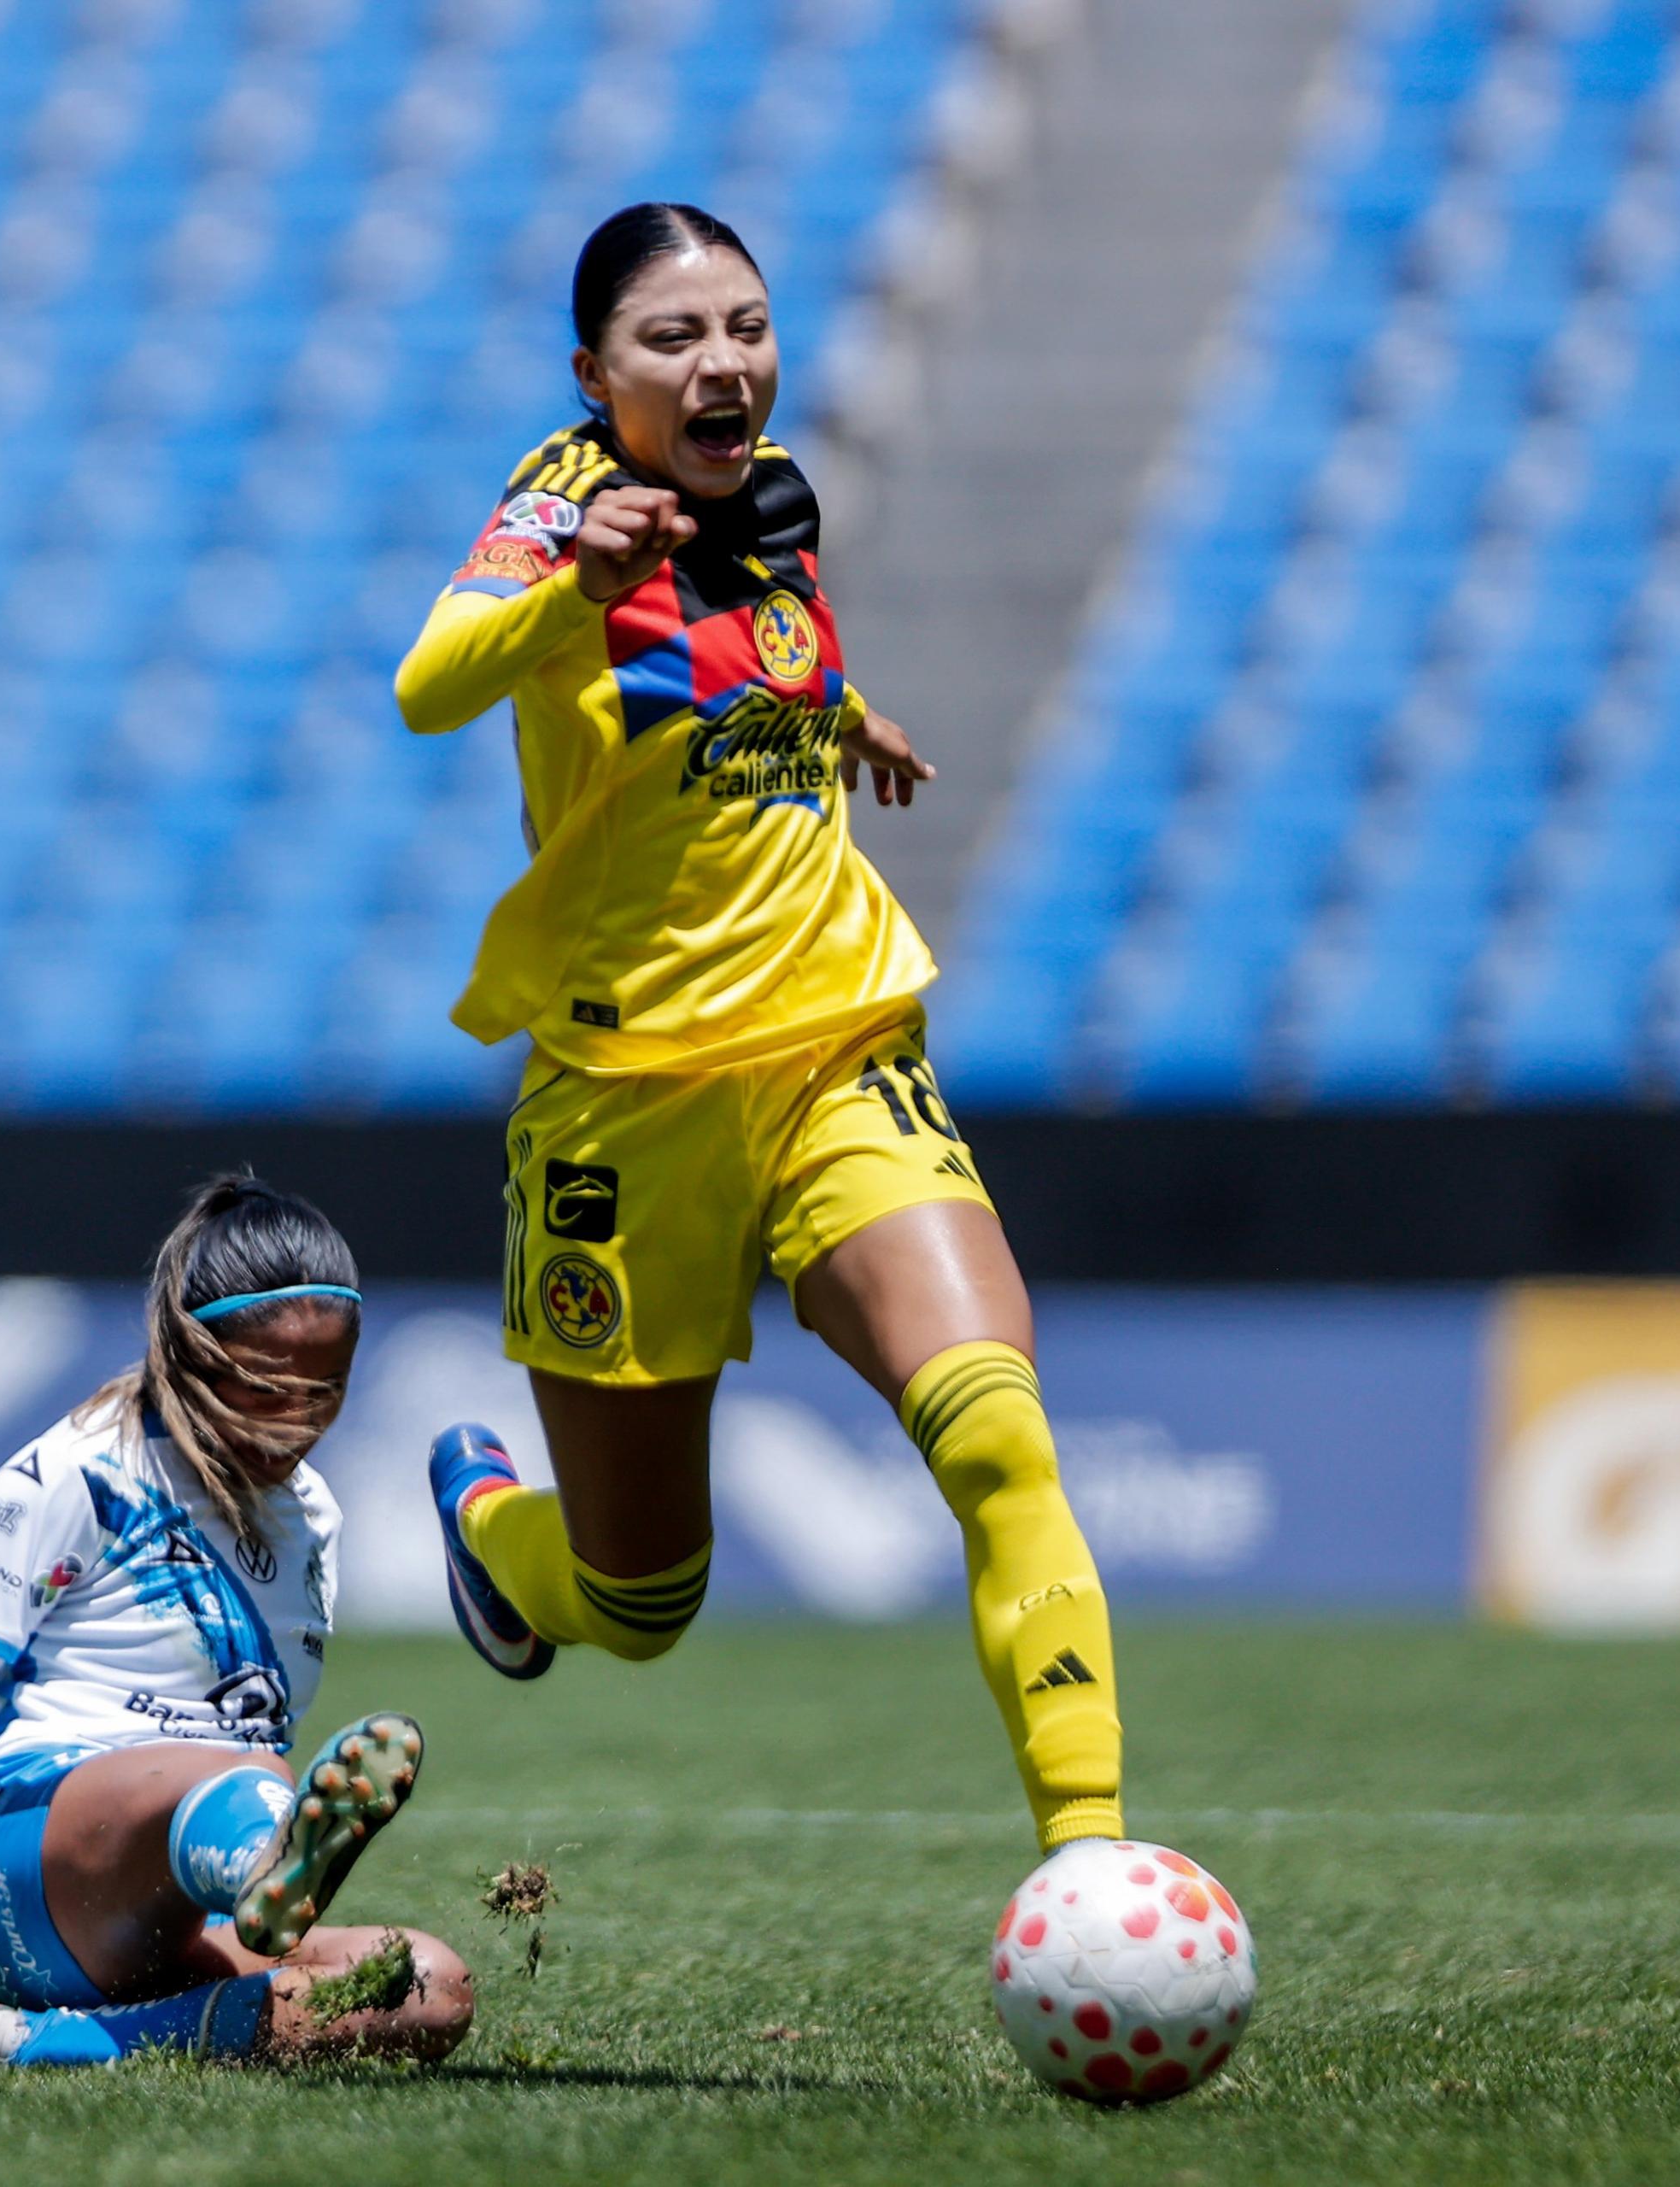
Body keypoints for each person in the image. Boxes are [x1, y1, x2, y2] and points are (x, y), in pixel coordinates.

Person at [392, 202, 1127, 1855]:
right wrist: (565, 592)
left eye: (746, 326)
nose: (721, 364)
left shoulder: (776, 490)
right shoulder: (560, 505)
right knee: (640, 1598)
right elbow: (432, 684)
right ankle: (493, 1526)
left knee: (998, 1426)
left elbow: (750, 649)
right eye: (672, 339)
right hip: (625, 1098)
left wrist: (845, 713)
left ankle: (1094, 1865)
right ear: (596, 374)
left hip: (833, 1045)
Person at [0, 1176, 474, 2068]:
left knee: (426, 1984)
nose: (296, 1422)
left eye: (327, 1389)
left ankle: (23, 2039)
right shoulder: (81, 1471)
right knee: (251, 1768)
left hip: (173, 1921)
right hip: (26, 1880)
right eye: (264, 1386)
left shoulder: (314, 1513)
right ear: (189, 1349)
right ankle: (260, 1859)